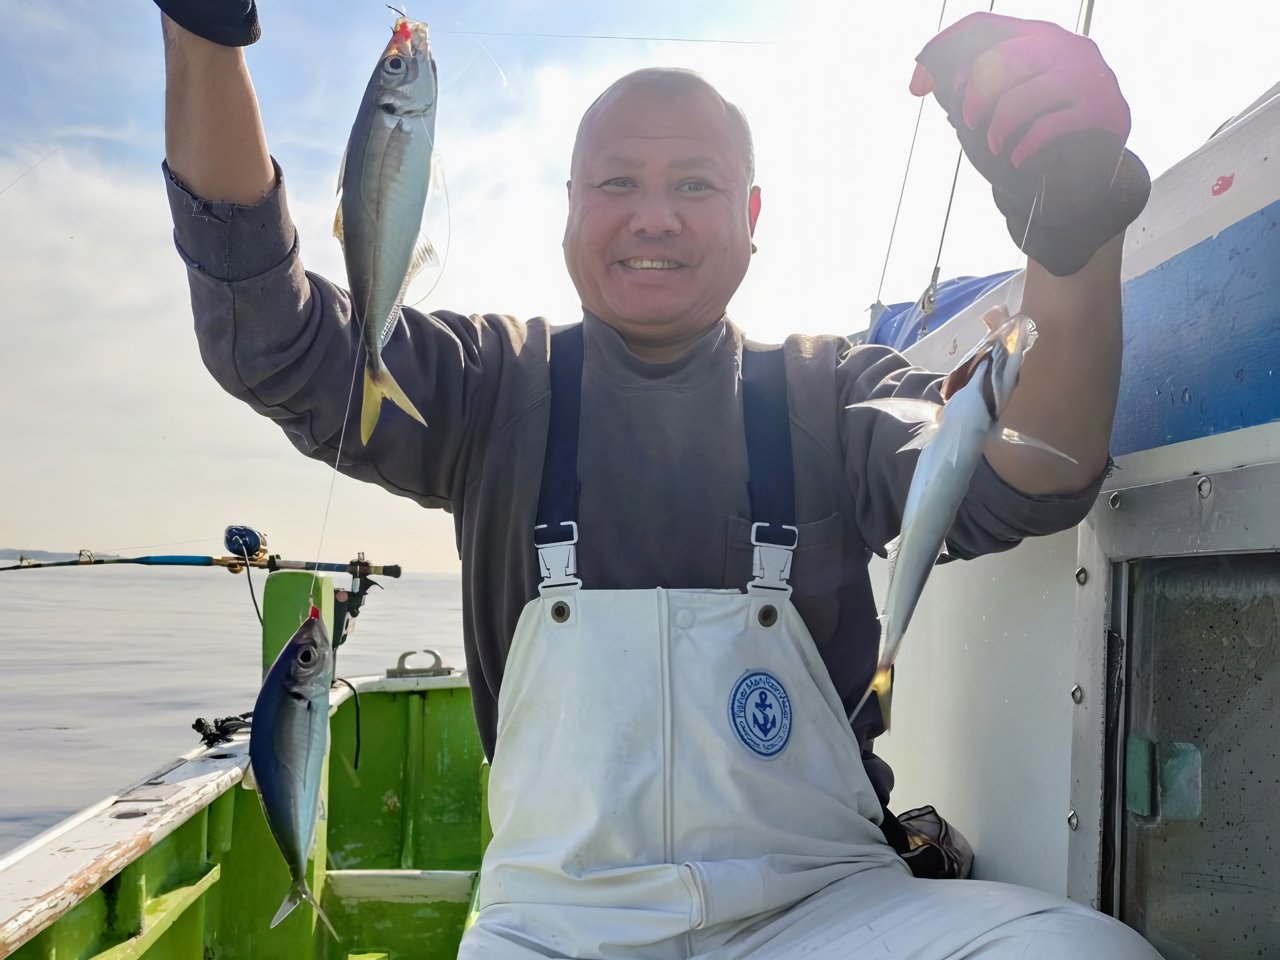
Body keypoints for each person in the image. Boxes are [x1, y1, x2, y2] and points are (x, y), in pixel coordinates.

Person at [157, 2, 1159, 957]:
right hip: (550, 923)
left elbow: (1029, 477)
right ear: (567, 210)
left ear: (751, 212)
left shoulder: (830, 391)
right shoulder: (486, 385)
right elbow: (271, 338)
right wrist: (205, 36)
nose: (653, 217)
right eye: (616, 184)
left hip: (824, 902)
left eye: (693, 184)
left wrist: (1071, 237)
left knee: (1081, 947)